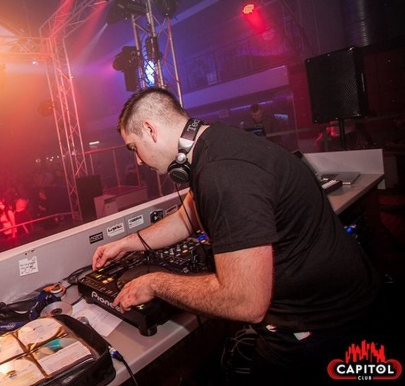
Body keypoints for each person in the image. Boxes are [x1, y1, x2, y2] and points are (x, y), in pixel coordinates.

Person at [92, 87, 381, 384]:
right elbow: (186, 218)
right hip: (334, 304)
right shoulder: (216, 144)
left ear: (150, 130)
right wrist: (125, 244)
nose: (138, 161)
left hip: (323, 327)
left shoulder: (222, 174)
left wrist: (155, 283)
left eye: (133, 147)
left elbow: (245, 302)